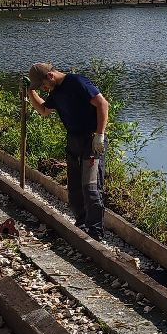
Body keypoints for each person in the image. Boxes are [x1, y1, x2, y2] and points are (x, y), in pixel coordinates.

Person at [27, 62, 111, 240]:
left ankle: (96, 232)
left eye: (42, 85)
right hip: (73, 140)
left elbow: (103, 104)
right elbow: (43, 110)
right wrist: (30, 92)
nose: (43, 89)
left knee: (91, 187)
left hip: (91, 140)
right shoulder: (55, 92)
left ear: (50, 76)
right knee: (74, 188)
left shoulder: (77, 82)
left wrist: (100, 135)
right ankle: (81, 224)